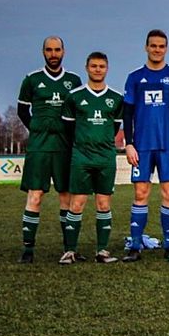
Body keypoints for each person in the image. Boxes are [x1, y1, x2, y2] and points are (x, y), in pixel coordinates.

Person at [122, 30, 169, 262]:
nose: (157, 49)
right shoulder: (135, 77)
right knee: (141, 193)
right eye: (153, 46)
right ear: (146, 47)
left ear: (166, 48)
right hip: (142, 146)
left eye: (161, 46)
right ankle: (135, 246)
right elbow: (127, 112)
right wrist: (129, 144)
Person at [17, 36, 83, 263]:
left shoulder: (73, 80)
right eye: (49, 50)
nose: (53, 54)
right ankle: (28, 249)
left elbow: (78, 113)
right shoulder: (32, 80)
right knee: (35, 197)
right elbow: (22, 112)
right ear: (43, 52)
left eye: (57, 50)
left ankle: (68, 249)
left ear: (64, 52)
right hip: (39, 148)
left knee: (66, 196)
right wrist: (38, 129)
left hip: (64, 149)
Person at [58, 52, 123, 264]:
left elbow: (114, 127)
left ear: (107, 68)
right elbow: (68, 127)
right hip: (81, 157)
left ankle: (102, 251)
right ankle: (70, 251)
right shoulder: (75, 97)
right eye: (94, 66)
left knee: (104, 204)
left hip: (105, 157)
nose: (97, 69)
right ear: (87, 68)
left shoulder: (116, 98)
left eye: (101, 66)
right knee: (76, 204)